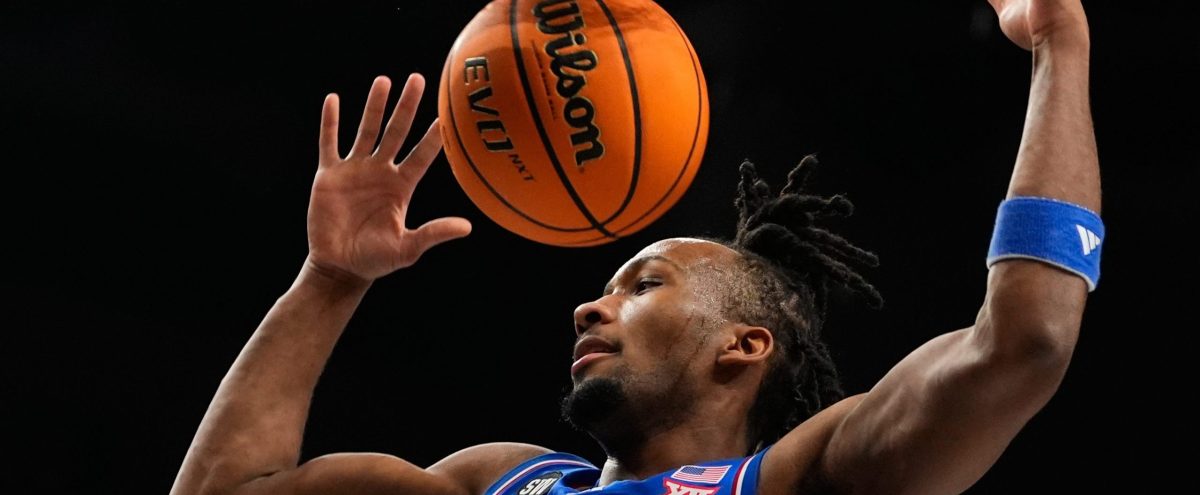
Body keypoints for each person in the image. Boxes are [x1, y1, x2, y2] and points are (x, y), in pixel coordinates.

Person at [170, 0, 1102, 493]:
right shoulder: (501, 480)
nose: (589, 304)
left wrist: (1059, 43)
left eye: (642, 283)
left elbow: (1025, 341)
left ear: (743, 344)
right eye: (610, 287)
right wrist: (329, 280)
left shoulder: (801, 478)